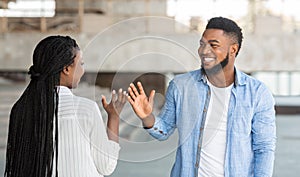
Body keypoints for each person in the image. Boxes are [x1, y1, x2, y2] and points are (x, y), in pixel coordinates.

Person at [127, 17, 276, 177]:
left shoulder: (257, 93)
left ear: (233, 50)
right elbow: (163, 131)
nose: (204, 51)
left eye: (213, 45)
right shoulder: (180, 86)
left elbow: (264, 147)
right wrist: (147, 117)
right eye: (202, 44)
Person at [4, 35, 126, 177]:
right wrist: (114, 117)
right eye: (81, 63)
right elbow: (106, 166)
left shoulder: (21, 109)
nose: (83, 70)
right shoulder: (86, 109)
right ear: (66, 69)